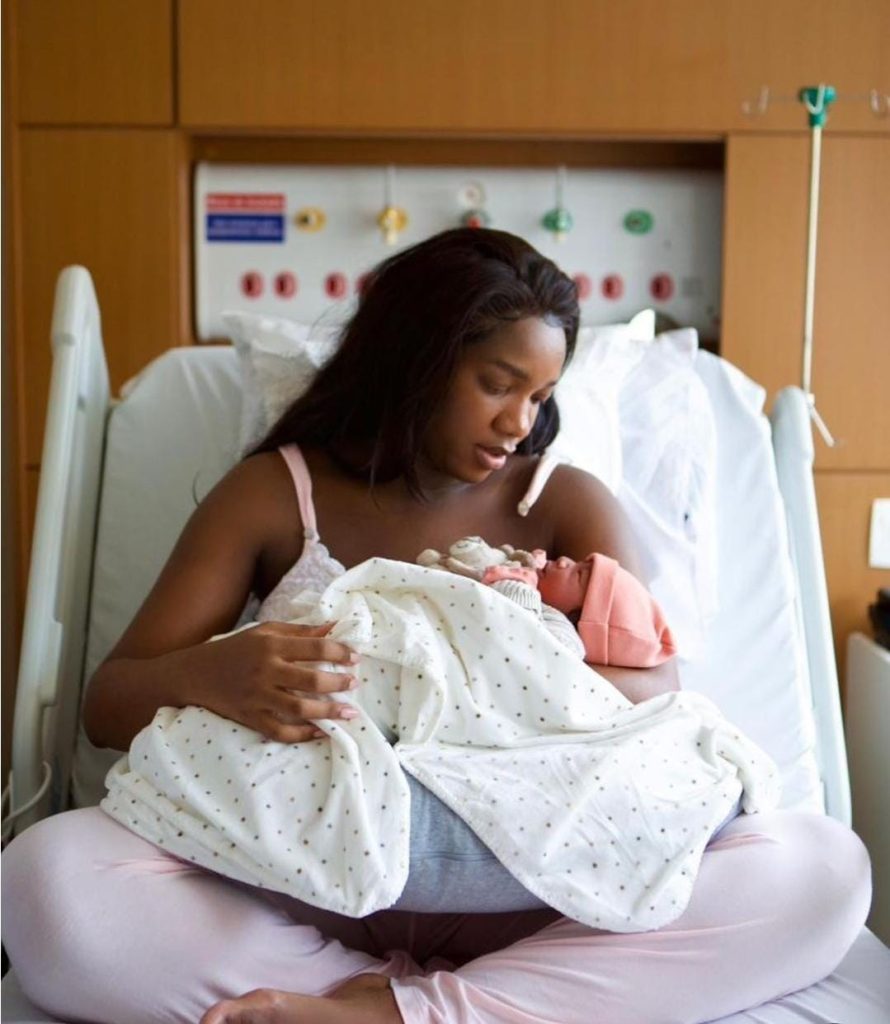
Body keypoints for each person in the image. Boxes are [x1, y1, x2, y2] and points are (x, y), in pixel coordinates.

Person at [2, 228, 870, 1024]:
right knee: (48, 882)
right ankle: (393, 997)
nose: (518, 423)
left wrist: (515, 661)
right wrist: (216, 674)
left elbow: (655, 693)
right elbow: (109, 703)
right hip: (311, 880)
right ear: (414, 358)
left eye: (540, 396)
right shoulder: (275, 495)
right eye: (497, 384)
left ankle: (401, 1013)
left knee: (824, 871)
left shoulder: (560, 502)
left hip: (545, 893)